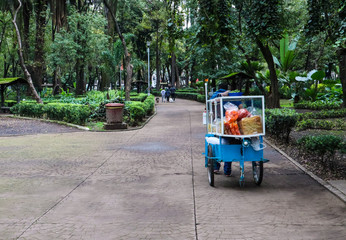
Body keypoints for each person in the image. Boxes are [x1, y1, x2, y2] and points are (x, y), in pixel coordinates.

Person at [210, 83, 232, 176]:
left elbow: (211, 103)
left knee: (216, 145)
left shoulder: (215, 95)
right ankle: (227, 171)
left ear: (218, 88)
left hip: (218, 124)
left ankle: (215, 167)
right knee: (229, 146)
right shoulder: (230, 95)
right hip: (231, 124)